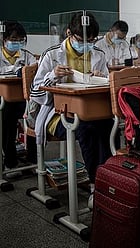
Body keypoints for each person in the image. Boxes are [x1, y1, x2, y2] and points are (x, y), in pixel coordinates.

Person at [30, 12, 112, 208]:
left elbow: (108, 85)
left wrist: (99, 77)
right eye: (81, 40)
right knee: (86, 128)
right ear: (68, 33)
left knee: (108, 126)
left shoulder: (98, 54)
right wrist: (53, 76)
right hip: (57, 114)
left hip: (89, 110)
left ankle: (107, 182)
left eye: (92, 40)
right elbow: (35, 93)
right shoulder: (52, 54)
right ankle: (96, 185)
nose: (87, 44)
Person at [0, 21, 37, 169]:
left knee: (34, 116)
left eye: (21, 40)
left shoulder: (27, 55)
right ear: (5, 39)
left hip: (24, 99)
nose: (17, 43)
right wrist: (14, 70)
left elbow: (34, 70)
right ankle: (10, 161)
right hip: (3, 100)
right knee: (7, 120)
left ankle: (33, 159)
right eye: (14, 40)